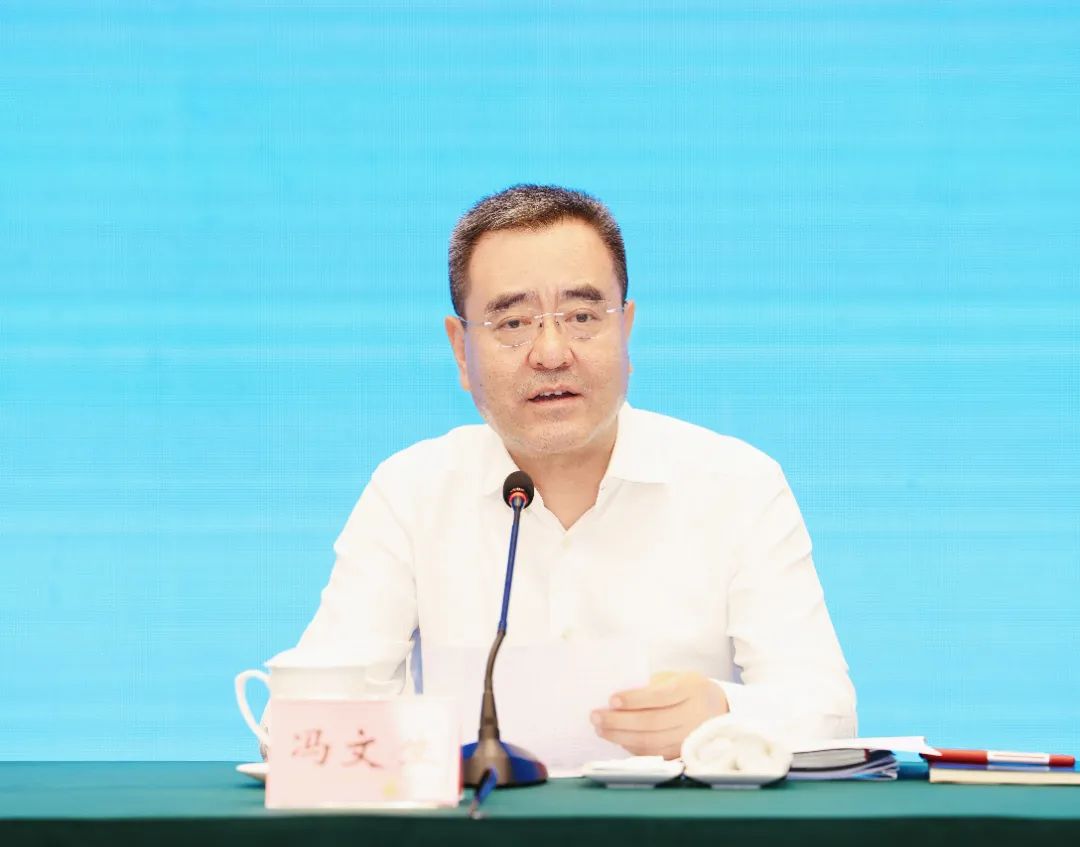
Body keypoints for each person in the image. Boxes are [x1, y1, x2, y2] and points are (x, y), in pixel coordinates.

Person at [292, 184, 856, 759]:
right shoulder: (411, 492)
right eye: (514, 323)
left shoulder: (737, 484)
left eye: (583, 316)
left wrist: (724, 713)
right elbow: (312, 721)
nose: (551, 352)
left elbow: (828, 711)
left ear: (626, 329)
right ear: (461, 350)